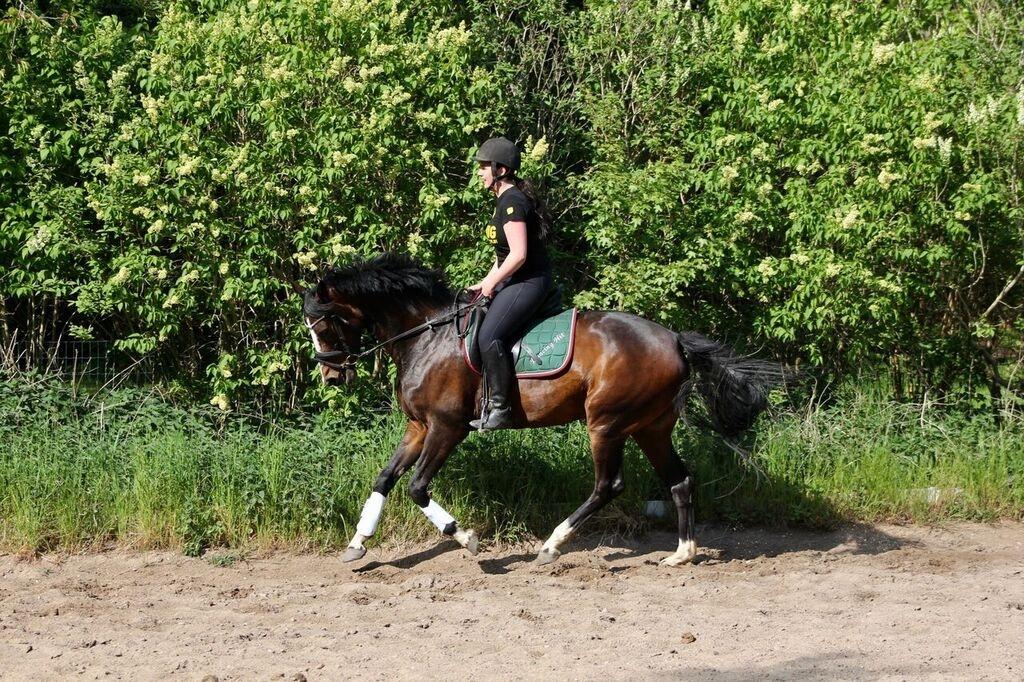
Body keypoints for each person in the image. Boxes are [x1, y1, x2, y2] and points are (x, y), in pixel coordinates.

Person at [467, 136, 553, 431]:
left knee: (489, 335)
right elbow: (503, 254)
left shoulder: (513, 201)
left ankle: (501, 408)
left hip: (530, 281)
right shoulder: (502, 200)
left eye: (483, 167)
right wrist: (484, 282)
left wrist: (492, 282)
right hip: (515, 279)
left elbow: (519, 255)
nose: (479, 173)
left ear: (500, 170)